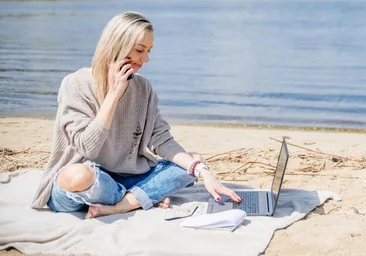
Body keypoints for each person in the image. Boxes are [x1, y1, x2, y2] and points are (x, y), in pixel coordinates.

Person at [31, 11, 241, 218]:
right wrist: (113, 95)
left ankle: (121, 205)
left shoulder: (143, 88)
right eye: (140, 50)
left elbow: (161, 140)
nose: (146, 59)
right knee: (77, 176)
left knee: (192, 163)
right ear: (116, 46)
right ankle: (138, 198)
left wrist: (205, 173)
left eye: (149, 50)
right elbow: (88, 147)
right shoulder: (75, 84)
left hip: (130, 177)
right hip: (86, 183)